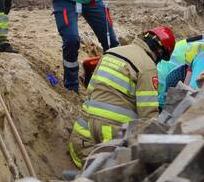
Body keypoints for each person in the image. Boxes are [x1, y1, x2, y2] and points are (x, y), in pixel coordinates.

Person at [68, 26, 175, 168]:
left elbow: (90, 91)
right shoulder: (147, 67)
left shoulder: (110, 53)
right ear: (160, 51)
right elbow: (148, 117)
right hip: (112, 139)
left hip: (82, 139)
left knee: (90, 171)